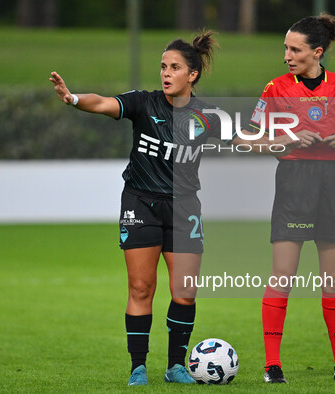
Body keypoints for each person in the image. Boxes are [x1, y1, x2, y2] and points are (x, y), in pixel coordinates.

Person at [50, 32, 297, 386]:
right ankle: (138, 367)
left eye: (175, 67)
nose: (166, 73)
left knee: (184, 290)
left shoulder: (206, 115)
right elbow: (103, 103)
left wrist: (279, 144)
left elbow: (245, 139)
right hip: (140, 203)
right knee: (141, 287)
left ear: (192, 74)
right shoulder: (143, 103)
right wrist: (73, 98)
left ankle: (176, 366)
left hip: (184, 209)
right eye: (163, 67)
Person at [248, 14, 335, 383]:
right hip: (294, 181)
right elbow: (245, 140)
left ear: (317, 52)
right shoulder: (275, 88)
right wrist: (284, 141)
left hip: (333, 182)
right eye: (285, 48)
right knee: (283, 275)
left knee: (333, 280)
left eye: (295, 49)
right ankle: (273, 366)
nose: (287, 55)